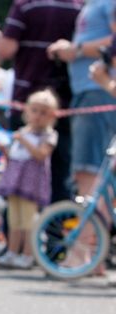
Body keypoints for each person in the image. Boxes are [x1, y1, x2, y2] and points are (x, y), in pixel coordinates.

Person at [0, 0, 81, 206]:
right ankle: (55, 233)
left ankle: (14, 236)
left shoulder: (25, 5)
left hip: (28, 99)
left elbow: (5, 49)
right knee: (61, 172)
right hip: (64, 101)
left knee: (17, 169)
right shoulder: (79, 7)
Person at [47, 0, 116, 216]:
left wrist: (74, 50)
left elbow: (113, 40)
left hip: (97, 93)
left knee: (88, 171)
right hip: (89, 92)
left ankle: (84, 246)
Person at [0, 90, 58, 269]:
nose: (37, 116)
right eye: (34, 110)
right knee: (14, 221)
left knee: (28, 223)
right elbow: (15, 157)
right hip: (15, 182)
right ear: (27, 111)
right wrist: (4, 150)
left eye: (43, 112)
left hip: (32, 185)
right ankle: (12, 253)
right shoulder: (22, 132)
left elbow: (40, 155)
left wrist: (24, 140)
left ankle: (27, 255)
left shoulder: (48, 136)